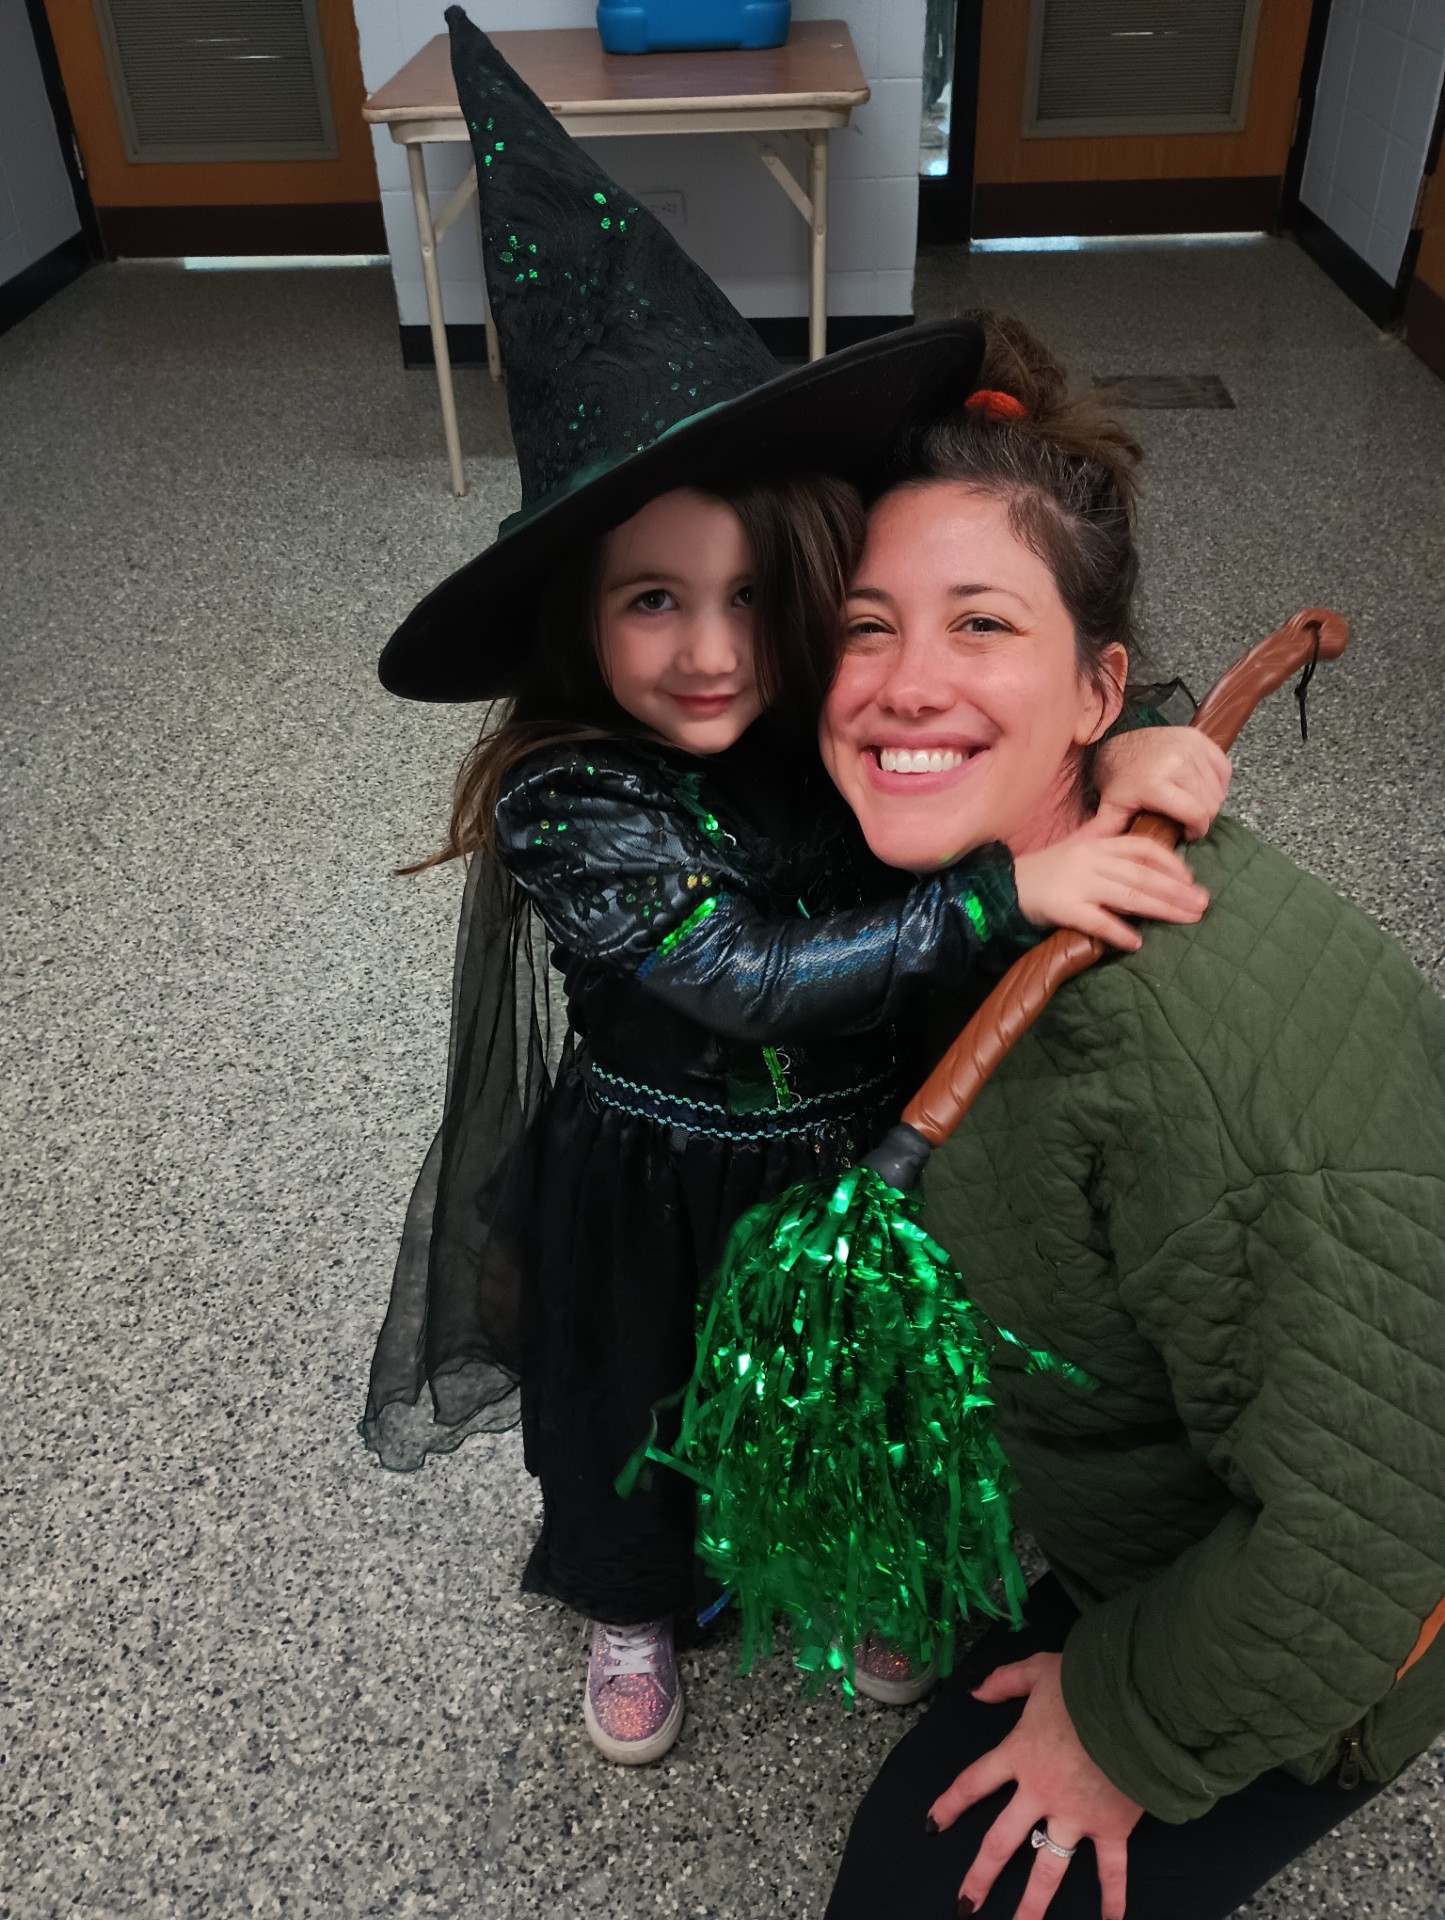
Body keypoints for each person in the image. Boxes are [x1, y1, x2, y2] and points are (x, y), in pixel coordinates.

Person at [359, 20, 1228, 1768]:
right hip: (651, 1174)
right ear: (578, 620)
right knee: (641, 1398)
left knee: (852, 1380)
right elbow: (744, 971)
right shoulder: (572, 796)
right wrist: (1008, 890)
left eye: (759, 594)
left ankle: (851, 1567)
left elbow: (963, 702)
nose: (713, 650)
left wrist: (1119, 740)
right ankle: (631, 1596)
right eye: (652, 601)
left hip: (851, 1144)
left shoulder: (822, 710)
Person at [818, 315, 1445, 1919]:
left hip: (1357, 1603)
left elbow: (1385, 1525)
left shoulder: (1174, 1043)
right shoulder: (959, 883)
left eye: (980, 624)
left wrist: (1122, 1725)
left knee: (906, 1899)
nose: (902, 685)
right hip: (1140, 1504)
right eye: (863, 628)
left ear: (1099, 686)